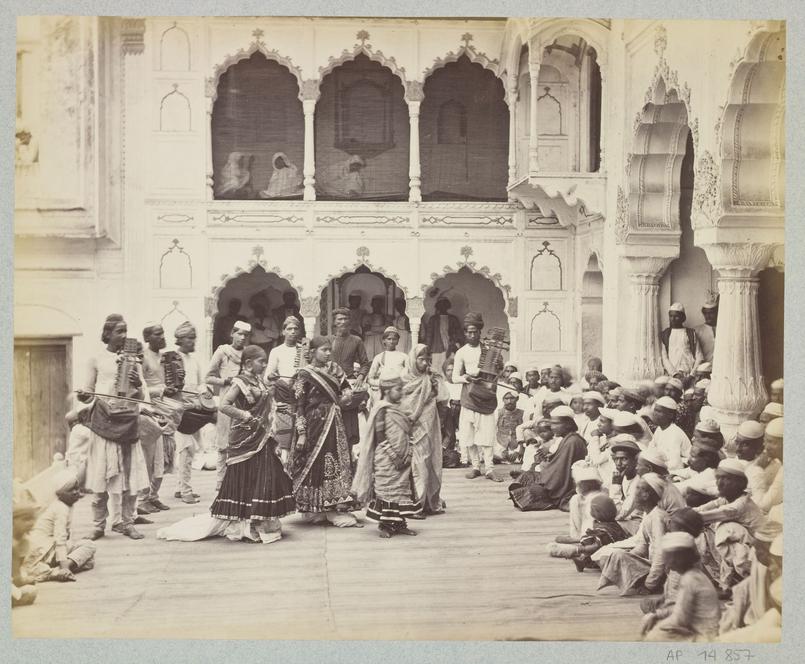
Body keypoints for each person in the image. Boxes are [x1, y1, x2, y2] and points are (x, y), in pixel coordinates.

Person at [159, 346, 296, 544]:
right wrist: (244, 415)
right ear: (248, 363)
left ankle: (260, 522)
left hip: (262, 437)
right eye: (261, 361)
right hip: (245, 438)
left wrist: (276, 402)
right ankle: (245, 525)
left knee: (265, 477)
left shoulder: (259, 381)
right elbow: (224, 405)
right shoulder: (240, 382)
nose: (265, 364)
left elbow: (265, 402)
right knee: (247, 477)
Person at [76, 314, 150, 540]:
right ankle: (98, 525)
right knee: (101, 475)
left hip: (127, 421)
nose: (124, 335)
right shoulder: (96, 359)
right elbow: (88, 394)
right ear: (107, 334)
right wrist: (84, 395)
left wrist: (137, 384)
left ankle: (127, 523)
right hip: (104, 422)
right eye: (119, 331)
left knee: (129, 476)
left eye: (126, 331)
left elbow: (140, 396)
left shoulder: (134, 361)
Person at [289, 336, 362, 527]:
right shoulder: (304, 374)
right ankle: (317, 508)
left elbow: (347, 388)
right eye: (324, 350)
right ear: (313, 352)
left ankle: (332, 506)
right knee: (314, 463)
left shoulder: (335, 369)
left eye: (330, 350)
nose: (328, 353)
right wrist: (302, 433)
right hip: (313, 424)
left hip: (333, 422)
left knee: (334, 461)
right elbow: (298, 406)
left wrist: (346, 397)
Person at [353, 377, 418, 538]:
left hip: (404, 455)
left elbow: (410, 431)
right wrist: (393, 456)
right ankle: (385, 525)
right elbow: (380, 435)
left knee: (402, 489)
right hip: (386, 458)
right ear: (387, 391)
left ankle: (400, 523)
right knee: (387, 489)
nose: (401, 393)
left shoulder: (402, 408)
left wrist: (409, 452)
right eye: (398, 390)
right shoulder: (381, 408)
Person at [696, 458, 766, 592]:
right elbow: (702, 509)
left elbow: (703, 517)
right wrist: (684, 511)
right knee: (710, 532)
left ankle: (748, 583)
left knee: (726, 530)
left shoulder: (740, 505)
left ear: (740, 483)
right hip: (750, 548)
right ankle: (727, 583)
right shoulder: (726, 499)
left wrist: (682, 515)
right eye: (718, 478)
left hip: (761, 555)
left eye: (726, 479)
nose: (719, 483)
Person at [597, 473, 669, 596]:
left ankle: (653, 585)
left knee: (618, 556)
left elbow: (660, 553)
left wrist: (650, 584)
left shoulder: (657, 517)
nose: (634, 492)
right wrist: (627, 559)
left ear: (646, 495)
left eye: (638, 488)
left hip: (664, 572)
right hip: (653, 566)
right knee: (616, 555)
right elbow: (642, 546)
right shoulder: (649, 514)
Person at [642, 532, 721, 642]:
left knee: (655, 636)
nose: (666, 562)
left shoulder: (690, 580)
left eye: (667, 558)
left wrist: (656, 627)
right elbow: (681, 608)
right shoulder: (693, 575)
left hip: (704, 634)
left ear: (676, 559)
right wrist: (656, 615)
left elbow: (680, 618)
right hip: (701, 628)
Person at [452, 312, 502, 481]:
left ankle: (489, 469)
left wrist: (497, 367)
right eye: (469, 332)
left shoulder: (489, 351)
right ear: (465, 333)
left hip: (487, 395)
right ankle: (475, 467)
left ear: (480, 332)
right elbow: (454, 377)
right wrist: (466, 377)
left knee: (487, 434)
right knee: (469, 433)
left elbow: (498, 372)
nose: (472, 335)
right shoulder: (461, 352)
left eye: (475, 332)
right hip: (469, 395)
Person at [508, 405, 588, 511]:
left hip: (561, 485)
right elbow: (558, 464)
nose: (552, 427)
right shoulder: (566, 438)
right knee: (527, 476)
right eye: (552, 424)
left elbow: (561, 471)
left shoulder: (572, 441)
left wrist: (544, 481)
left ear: (568, 424)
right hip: (553, 477)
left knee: (532, 491)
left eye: (556, 424)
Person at [23, 469, 96, 582]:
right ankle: (62, 570)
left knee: (89, 560)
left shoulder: (66, 505)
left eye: (77, 488)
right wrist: (64, 566)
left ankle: (57, 571)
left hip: (51, 549)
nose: (76, 492)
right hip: (42, 550)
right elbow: (60, 539)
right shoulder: (61, 508)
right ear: (60, 494)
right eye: (71, 490)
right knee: (88, 547)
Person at [401, 344, 448, 515]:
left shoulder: (431, 377)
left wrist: (435, 383)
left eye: (427, 359)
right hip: (405, 426)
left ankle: (424, 501)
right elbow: (397, 401)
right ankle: (409, 503)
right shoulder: (403, 378)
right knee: (407, 463)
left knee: (425, 461)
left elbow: (443, 398)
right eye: (421, 359)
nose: (425, 363)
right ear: (413, 360)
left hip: (427, 424)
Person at [206, 320, 251, 491]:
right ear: (232, 333)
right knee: (223, 444)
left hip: (244, 403)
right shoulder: (222, 351)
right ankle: (221, 482)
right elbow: (208, 377)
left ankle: (238, 482)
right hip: (227, 402)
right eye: (239, 333)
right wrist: (226, 380)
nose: (242, 338)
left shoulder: (248, 353)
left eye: (245, 335)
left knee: (241, 443)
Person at [138, 322, 176, 515]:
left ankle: (153, 496)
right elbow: (141, 388)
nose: (162, 337)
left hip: (164, 411)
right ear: (147, 338)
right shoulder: (142, 358)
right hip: (149, 412)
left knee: (161, 458)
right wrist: (161, 390)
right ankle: (142, 499)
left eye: (162, 333)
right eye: (157, 334)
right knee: (149, 457)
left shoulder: (166, 358)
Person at [172, 321, 208, 504]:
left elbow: (200, 384)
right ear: (180, 339)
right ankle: (186, 491)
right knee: (185, 449)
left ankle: (181, 487)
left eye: (194, 338)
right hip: (180, 409)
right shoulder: (173, 359)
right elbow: (172, 388)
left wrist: (205, 393)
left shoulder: (194, 360)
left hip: (195, 409)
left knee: (191, 450)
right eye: (190, 338)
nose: (193, 342)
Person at [547, 494, 629, 572]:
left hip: (601, 557)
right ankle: (574, 544)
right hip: (612, 552)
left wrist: (579, 550)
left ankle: (581, 561)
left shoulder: (602, 530)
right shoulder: (613, 524)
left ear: (596, 513)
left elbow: (596, 546)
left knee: (554, 548)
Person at [329, 307, 371, 448]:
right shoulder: (328, 340)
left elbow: (365, 363)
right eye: (339, 319)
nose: (343, 322)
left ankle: (349, 457)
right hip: (331, 385)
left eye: (346, 318)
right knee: (331, 424)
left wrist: (360, 377)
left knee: (348, 427)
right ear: (334, 322)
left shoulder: (356, 340)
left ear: (350, 321)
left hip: (348, 385)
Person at [266, 316, 304, 465]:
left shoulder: (303, 350)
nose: (293, 332)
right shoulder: (276, 351)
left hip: (301, 395)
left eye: (295, 329)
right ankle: (283, 468)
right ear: (283, 332)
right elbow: (267, 377)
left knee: (301, 433)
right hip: (283, 396)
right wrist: (271, 376)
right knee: (284, 436)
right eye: (289, 329)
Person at [733, 420, 779, 506]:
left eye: (745, 444)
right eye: (737, 442)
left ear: (760, 447)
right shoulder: (737, 459)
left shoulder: (770, 468)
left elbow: (760, 502)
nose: (738, 449)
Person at [608, 434, 644, 535]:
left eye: (624, 459)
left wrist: (616, 485)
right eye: (616, 459)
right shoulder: (623, 476)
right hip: (624, 520)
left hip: (636, 524)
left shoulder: (639, 482)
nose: (618, 463)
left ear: (635, 461)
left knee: (606, 527)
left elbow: (620, 514)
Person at [12, 486, 40, 607]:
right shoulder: (12, 545)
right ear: (13, 520)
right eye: (25, 519)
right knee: (31, 591)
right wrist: (29, 579)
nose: (31, 523)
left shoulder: (23, 541)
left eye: (32, 519)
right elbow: (17, 580)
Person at [366, 327, 409, 404]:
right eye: (389, 339)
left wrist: (401, 383)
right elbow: (370, 378)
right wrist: (380, 383)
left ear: (398, 341)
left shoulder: (404, 356)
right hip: (384, 392)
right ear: (384, 341)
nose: (391, 341)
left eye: (394, 339)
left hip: (399, 392)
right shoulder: (379, 357)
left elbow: (409, 375)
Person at [661, 303, 703, 378]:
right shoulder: (665, 334)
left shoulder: (691, 333)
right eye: (671, 316)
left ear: (683, 318)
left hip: (689, 375)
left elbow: (699, 356)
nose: (673, 319)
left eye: (676, 316)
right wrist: (675, 374)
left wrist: (692, 375)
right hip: (672, 376)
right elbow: (664, 358)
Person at [649, 396, 692, 471]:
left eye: (659, 411)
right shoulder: (659, 429)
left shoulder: (675, 433)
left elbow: (674, 464)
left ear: (670, 415)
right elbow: (651, 449)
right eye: (655, 410)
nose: (655, 414)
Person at [423, 298, 463, 373]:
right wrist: (427, 350)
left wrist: (455, 345)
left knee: (449, 369)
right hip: (437, 349)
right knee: (437, 371)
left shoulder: (453, 319)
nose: (442, 307)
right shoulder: (433, 319)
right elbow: (429, 336)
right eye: (440, 305)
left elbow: (459, 334)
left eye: (444, 305)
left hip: (451, 349)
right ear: (438, 306)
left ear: (447, 306)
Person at [495, 391, 524, 463]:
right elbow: (492, 433)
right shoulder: (497, 413)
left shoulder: (522, 413)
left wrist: (518, 451)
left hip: (516, 446)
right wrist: (501, 450)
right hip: (500, 445)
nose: (509, 401)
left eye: (512, 398)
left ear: (517, 399)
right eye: (506, 398)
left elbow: (525, 434)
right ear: (503, 400)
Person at [363, 295, 390, 360]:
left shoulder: (386, 317)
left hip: (381, 342)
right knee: (369, 360)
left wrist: (371, 328)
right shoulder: (366, 317)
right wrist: (381, 329)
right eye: (375, 303)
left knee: (381, 360)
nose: (377, 305)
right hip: (369, 343)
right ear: (372, 304)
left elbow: (386, 330)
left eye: (379, 304)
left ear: (382, 305)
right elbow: (366, 332)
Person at [694, 298, 718, 366]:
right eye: (706, 313)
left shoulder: (722, 329)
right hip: (704, 368)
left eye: (711, 313)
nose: (708, 316)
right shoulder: (697, 330)